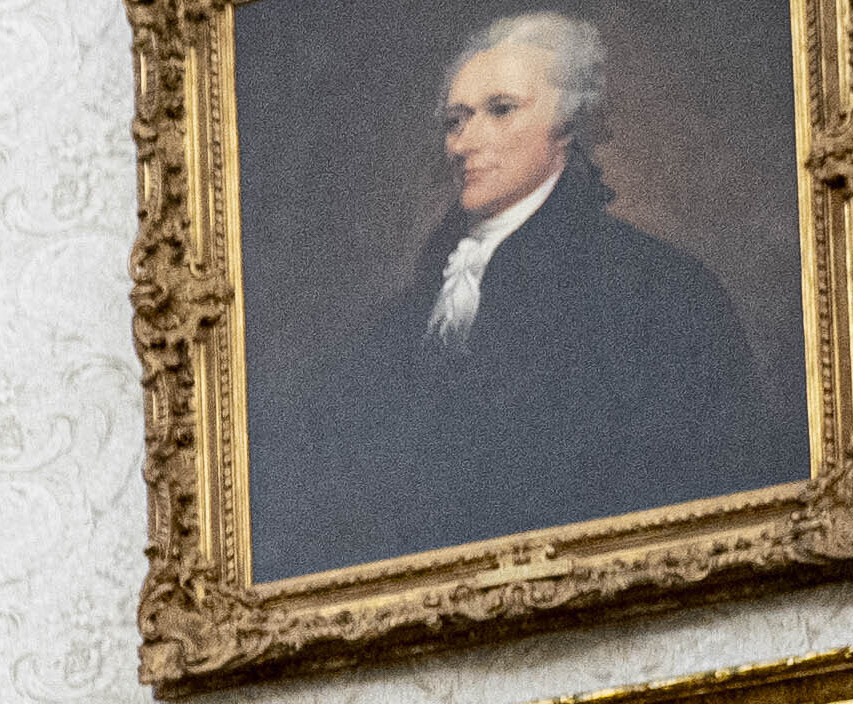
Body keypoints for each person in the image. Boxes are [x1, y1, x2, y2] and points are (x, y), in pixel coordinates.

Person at [252, 11, 793, 580]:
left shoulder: (662, 293)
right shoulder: (406, 317)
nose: (464, 142)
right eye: (455, 121)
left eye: (501, 110)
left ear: (568, 122)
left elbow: (718, 507)